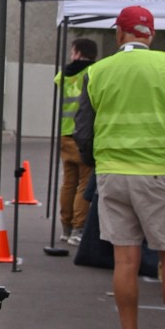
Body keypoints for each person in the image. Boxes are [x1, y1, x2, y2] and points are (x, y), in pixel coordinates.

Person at [74, 5, 165, 329]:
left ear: (119, 34)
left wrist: (100, 165)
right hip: (162, 174)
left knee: (124, 262)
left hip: (113, 176)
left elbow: (83, 130)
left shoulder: (96, 72)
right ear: (151, 34)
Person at [55, 38, 97, 245]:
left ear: (79, 53)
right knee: (84, 183)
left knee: (68, 183)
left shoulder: (63, 74)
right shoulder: (94, 72)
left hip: (65, 133)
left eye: (73, 52)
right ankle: (78, 230)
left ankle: (66, 226)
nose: (71, 55)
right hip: (84, 134)